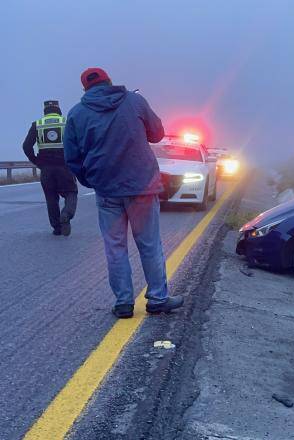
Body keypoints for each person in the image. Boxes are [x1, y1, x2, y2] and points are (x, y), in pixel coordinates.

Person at [64, 67, 183, 319]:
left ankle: (123, 303)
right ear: (109, 81)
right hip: (141, 186)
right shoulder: (135, 101)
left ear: (85, 89)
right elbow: (158, 133)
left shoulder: (76, 114)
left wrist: (91, 180)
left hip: (107, 190)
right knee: (149, 245)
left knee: (115, 248)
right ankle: (158, 299)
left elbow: (72, 157)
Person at [22, 100, 78, 236]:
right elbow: (77, 143)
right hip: (65, 166)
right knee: (71, 192)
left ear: (45, 111)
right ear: (58, 109)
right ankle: (66, 214)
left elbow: (26, 146)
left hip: (46, 168)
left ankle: (57, 228)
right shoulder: (67, 122)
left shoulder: (37, 125)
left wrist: (37, 162)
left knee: (51, 198)